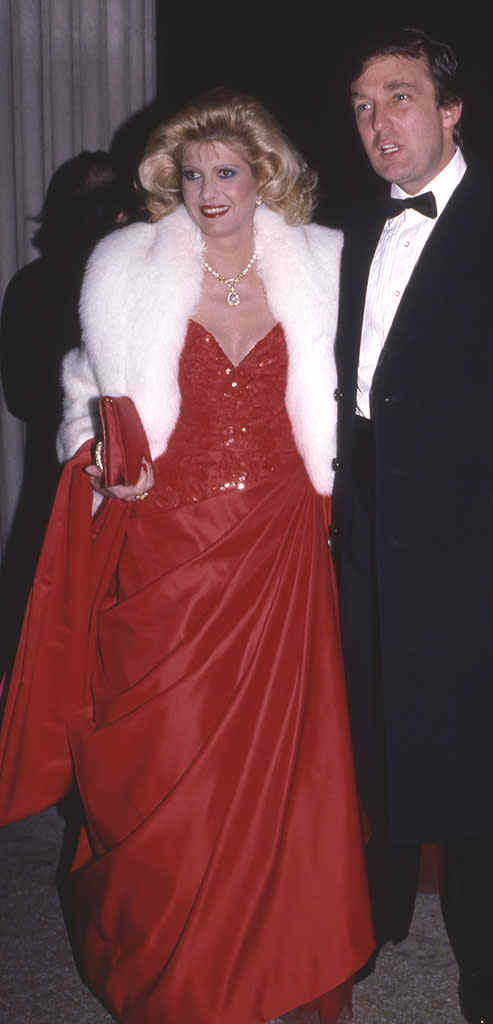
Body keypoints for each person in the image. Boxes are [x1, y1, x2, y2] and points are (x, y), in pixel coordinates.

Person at [0, 89, 374, 1024]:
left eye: (228, 172)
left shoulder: (325, 265)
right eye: (193, 174)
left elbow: (360, 399)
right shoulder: (127, 268)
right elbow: (88, 396)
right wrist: (99, 466)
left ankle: (268, 953)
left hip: (283, 543)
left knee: (284, 772)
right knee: (163, 762)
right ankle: (172, 963)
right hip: (166, 546)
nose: (209, 191)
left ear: (265, 176)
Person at [329, 27, 493, 1024]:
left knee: (472, 776)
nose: (376, 123)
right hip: (365, 543)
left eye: (396, 98)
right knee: (380, 750)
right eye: (360, 105)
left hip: (479, 550)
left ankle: (481, 967)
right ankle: (381, 920)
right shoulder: (348, 229)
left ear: (449, 109)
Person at [0, 150, 129, 674]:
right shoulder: (117, 283)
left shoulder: (32, 283)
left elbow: (21, 398)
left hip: (71, 474)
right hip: (87, 473)